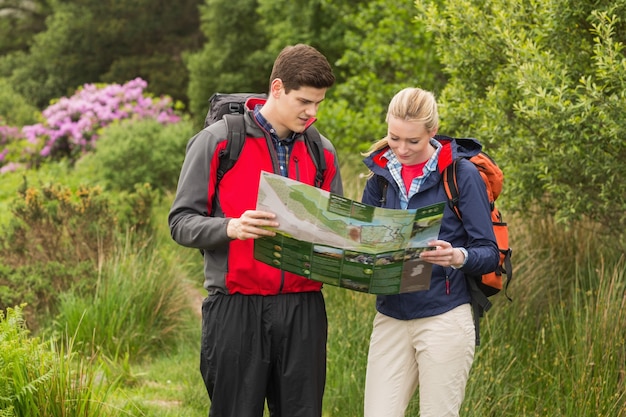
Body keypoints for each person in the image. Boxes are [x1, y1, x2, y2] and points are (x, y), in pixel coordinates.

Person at [168, 44, 343, 417]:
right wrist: (231, 227)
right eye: (304, 101)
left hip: (304, 310)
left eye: (319, 103)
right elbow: (181, 222)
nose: (312, 113)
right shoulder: (218, 141)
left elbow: (335, 232)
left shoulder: (322, 152)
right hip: (236, 307)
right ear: (277, 89)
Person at [360, 87, 500, 417]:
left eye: (413, 141)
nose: (402, 149)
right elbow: (364, 244)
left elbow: (489, 252)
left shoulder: (461, 174)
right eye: (394, 138)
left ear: (432, 133)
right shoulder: (379, 179)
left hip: (445, 317)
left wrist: (457, 257)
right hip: (390, 316)